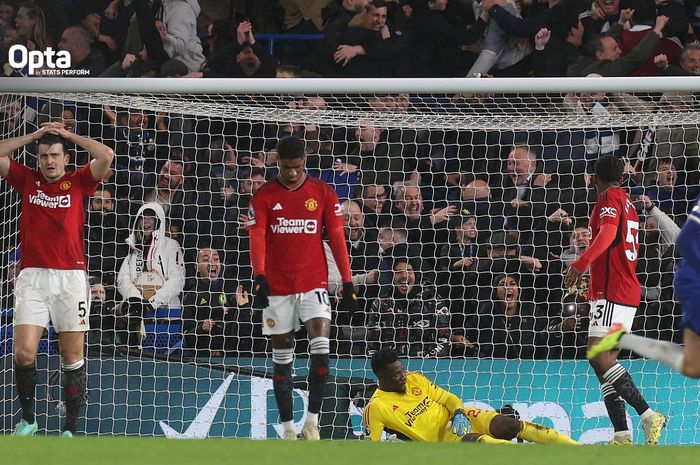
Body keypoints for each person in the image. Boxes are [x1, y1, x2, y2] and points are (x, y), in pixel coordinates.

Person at [0, 122, 114, 436]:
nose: (49, 161)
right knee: (24, 352)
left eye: (54, 155)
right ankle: (28, 420)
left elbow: (106, 154)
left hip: (71, 279)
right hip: (33, 278)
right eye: (43, 156)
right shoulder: (27, 179)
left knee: (71, 356)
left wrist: (69, 136)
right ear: (37, 159)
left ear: (66, 158)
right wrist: (34, 136)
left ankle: (70, 429)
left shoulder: (80, 181)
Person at [247, 135, 357, 440]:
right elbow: (256, 236)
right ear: (277, 162)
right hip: (278, 288)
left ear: (304, 161)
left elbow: (336, 236)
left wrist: (347, 280)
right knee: (283, 357)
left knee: (321, 349)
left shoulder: (322, 192)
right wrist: (259, 274)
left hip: (313, 284)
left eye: (296, 166)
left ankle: (312, 421)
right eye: (285, 167)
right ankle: (287, 429)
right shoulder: (265, 195)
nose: (292, 173)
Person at [564, 156, 667, 445]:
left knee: (599, 357)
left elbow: (608, 233)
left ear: (594, 178)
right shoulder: (628, 201)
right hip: (617, 289)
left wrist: (580, 263)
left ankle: (649, 415)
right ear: (622, 178)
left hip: (614, 290)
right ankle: (622, 434)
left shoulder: (608, 197)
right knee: (602, 364)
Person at [363, 347, 578, 444]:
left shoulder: (414, 379)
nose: (403, 376)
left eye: (402, 369)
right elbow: (372, 447)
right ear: (381, 376)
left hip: (463, 418)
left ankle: (577, 451)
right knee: (486, 444)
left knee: (512, 425)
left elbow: (448, 398)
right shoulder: (377, 407)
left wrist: (458, 412)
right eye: (396, 374)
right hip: (446, 441)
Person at [589, 193, 700, 379]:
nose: (649, 229)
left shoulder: (671, 247)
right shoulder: (640, 248)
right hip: (648, 306)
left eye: (652, 225)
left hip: (673, 309)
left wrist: (651, 209)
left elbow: (676, 234)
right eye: (646, 226)